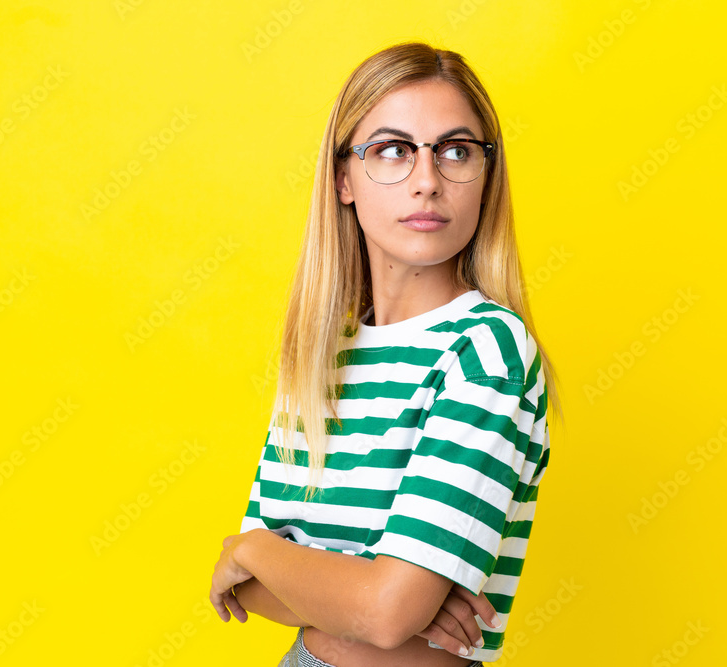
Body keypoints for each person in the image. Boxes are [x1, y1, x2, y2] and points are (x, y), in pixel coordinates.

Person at [209, 40, 563, 666]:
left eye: (455, 151)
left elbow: (380, 611)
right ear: (343, 178)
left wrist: (253, 552)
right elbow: (257, 597)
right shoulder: (321, 354)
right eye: (392, 151)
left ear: (487, 175)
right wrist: (374, 591)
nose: (427, 182)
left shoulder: (485, 350)